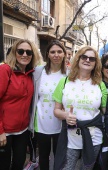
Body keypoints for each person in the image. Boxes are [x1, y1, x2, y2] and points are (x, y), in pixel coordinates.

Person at [53, 46, 108, 170]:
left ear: (95, 63)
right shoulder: (64, 81)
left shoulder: (100, 84)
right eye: (84, 57)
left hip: (94, 137)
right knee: (66, 167)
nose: (87, 60)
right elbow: (56, 110)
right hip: (70, 136)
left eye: (92, 59)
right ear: (78, 59)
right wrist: (66, 115)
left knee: (87, 168)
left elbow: (106, 112)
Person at [0, 39, 40, 170]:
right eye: (20, 51)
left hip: (22, 130)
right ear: (14, 52)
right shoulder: (5, 70)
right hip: (5, 131)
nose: (25, 55)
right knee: (3, 165)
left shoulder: (31, 74)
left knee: (19, 163)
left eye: (29, 52)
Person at [28, 40, 66, 170]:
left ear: (64, 54)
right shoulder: (38, 71)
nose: (56, 55)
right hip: (41, 120)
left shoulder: (70, 74)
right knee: (43, 155)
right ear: (48, 55)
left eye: (59, 51)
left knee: (59, 155)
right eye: (53, 52)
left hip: (61, 123)